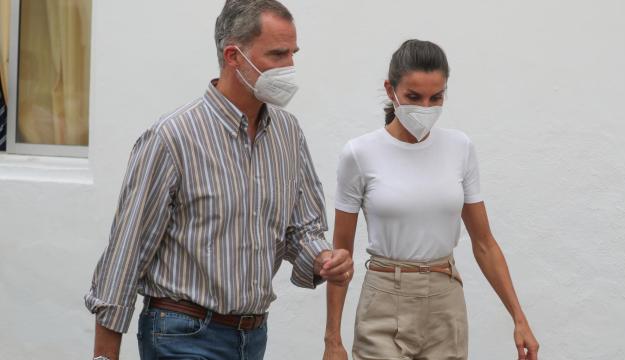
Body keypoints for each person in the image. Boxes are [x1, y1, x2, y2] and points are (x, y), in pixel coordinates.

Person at [85, 1, 353, 359]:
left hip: (252, 336)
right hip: (181, 334)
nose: (289, 67)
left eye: (293, 54)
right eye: (277, 54)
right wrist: (105, 354)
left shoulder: (288, 133)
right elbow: (127, 250)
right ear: (234, 56)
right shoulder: (173, 136)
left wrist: (323, 258)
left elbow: (301, 229)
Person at [323, 40, 539, 360]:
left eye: (435, 97)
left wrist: (519, 318)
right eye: (413, 97)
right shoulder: (360, 153)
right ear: (390, 89)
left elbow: (484, 243)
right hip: (384, 298)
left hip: (445, 302)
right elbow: (341, 254)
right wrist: (332, 340)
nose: (425, 108)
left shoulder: (460, 148)